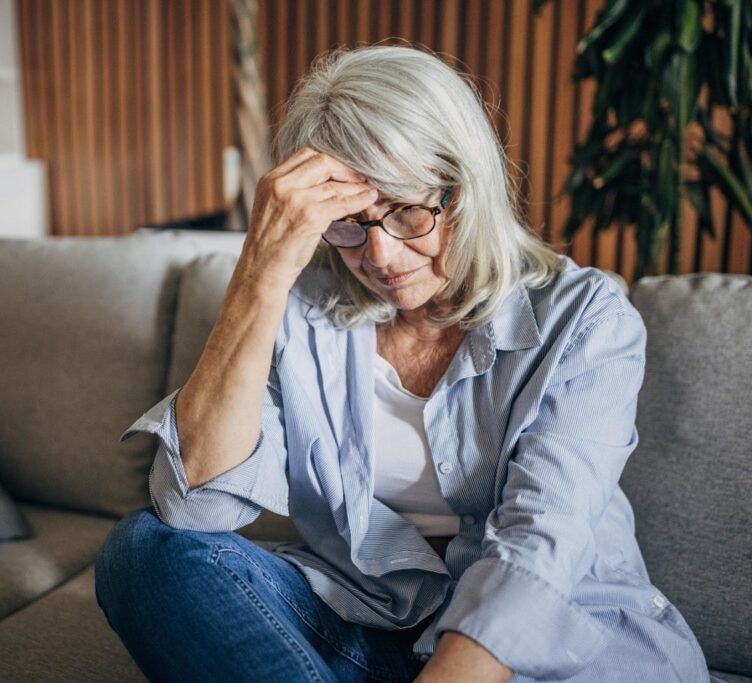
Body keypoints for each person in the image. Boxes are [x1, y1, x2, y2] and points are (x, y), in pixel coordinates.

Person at [95, 45, 711, 682]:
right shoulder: (305, 314)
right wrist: (260, 272)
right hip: (373, 622)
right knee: (146, 551)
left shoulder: (584, 317)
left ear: (464, 184)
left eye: (408, 211)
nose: (381, 256)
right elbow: (198, 511)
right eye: (349, 223)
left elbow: (539, 545)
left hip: (546, 648)